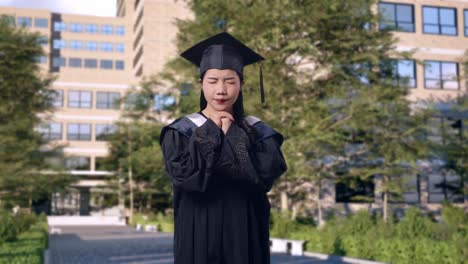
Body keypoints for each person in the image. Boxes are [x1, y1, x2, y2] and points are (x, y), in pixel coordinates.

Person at [160, 32, 287, 264]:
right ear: (200, 84)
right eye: (212, 81)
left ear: (241, 84)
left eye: (230, 81)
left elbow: (264, 177)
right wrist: (213, 133)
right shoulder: (180, 132)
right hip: (197, 231)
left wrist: (233, 134)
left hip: (245, 231)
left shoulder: (259, 132)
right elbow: (186, 178)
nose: (221, 89)